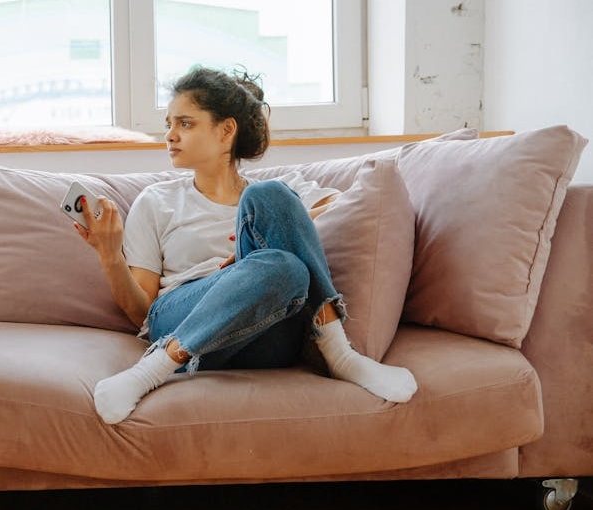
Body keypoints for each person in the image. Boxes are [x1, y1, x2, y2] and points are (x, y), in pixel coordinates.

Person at [74, 67, 418, 425]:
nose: (170, 135)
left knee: (278, 234)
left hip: (268, 330)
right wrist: (110, 255)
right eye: (168, 124)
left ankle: (340, 355)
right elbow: (141, 312)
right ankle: (151, 371)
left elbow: (345, 206)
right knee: (280, 253)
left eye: (185, 124)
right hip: (183, 317)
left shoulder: (276, 192)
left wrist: (251, 262)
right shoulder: (156, 200)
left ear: (226, 131)